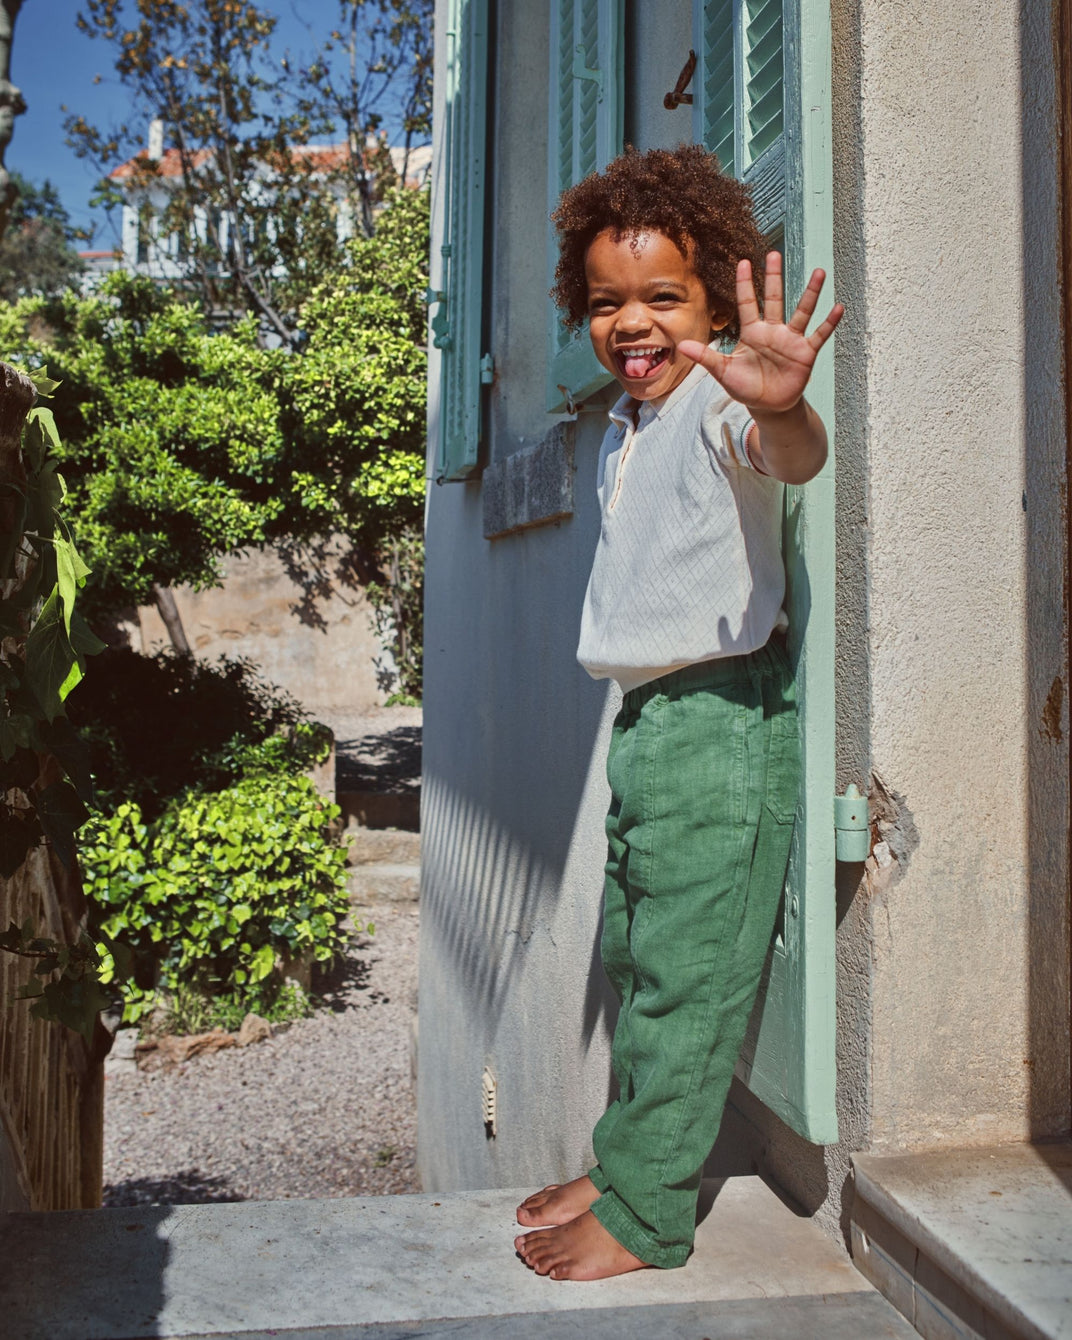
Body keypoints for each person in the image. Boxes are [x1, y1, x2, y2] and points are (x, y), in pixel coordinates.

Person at [512, 144, 843, 1282]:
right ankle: (622, 1161)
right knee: (640, 954)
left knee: (687, 971)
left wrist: (786, 404)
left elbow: (784, 455)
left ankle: (648, 1212)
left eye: (665, 298)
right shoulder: (627, 425)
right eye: (607, 302)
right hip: (648, 720)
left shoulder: (715, 403)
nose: (633, 324)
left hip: (716, 720)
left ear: (714, 303)